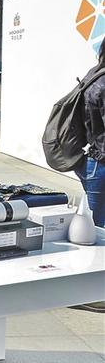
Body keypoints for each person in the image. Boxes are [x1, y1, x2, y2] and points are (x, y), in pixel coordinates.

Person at [77, 39, 105, 227]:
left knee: (96, 224)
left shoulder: (93, 74)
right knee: (98, 227)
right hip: (101, 162)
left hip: (92, 160)